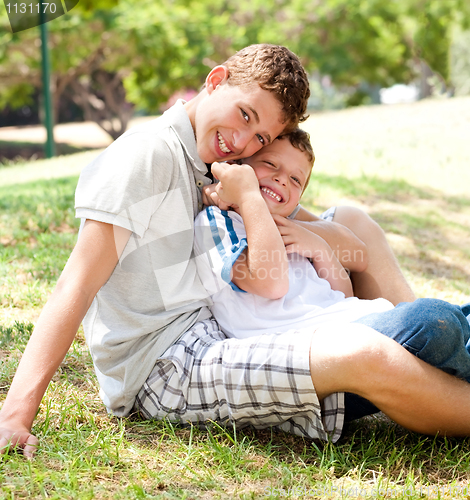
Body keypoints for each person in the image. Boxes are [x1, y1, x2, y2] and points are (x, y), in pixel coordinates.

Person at [1, 44, 470, 459]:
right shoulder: (146, 156)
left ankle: (439, 343)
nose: (244, 142)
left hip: (224, 332)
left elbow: (344, 236)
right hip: (165, 366)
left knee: (359, 231)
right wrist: (17, 413)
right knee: (373, 347)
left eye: (261, 139)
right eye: (245, 115)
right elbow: (77, 284)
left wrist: (312, 234)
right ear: (216, 79)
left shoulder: (217, 162)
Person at [194, 128, 470, 420]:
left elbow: (342, 296)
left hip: (359, 322)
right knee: (434, 320)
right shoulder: (217, 222)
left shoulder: (289, 226)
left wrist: (320, 249)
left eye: (295, 179)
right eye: (271, 165)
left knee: (452, 317)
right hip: (329, 355)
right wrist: (248, 195)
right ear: (238, 169)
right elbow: (271, 284)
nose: (281, 179)